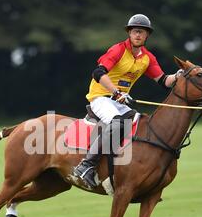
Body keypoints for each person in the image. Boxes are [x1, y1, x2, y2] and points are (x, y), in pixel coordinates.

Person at [73, 14, 184, 189]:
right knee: (118, 123)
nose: (138, 35)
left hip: (119, 102)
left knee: (141, 124)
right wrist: (116, 92)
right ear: (129, 33)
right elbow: (98, 73)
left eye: (142, 32)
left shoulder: (147, 58)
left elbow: (163, 81)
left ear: (147, 36)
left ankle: (123, 170)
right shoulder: (118, 50)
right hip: (101, 98)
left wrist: (178, 76)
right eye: (135, 31)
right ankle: (86, 165)